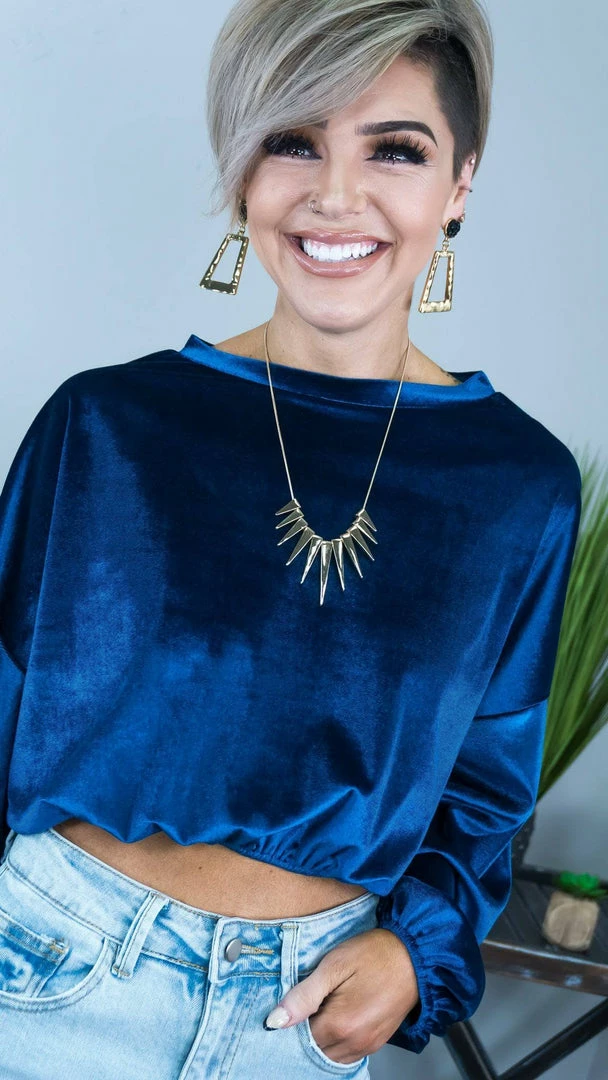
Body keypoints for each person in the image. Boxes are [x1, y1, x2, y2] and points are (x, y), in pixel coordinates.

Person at [0, 1, 581, 1077]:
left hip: (298, 1022)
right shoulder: (108, 427)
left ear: (459, 184)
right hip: (50, 976)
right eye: (293, 142)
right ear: (242, 175)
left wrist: (414, 952)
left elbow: (487, 786)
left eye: (394, 149)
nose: (335, 194)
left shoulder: (518, 487)